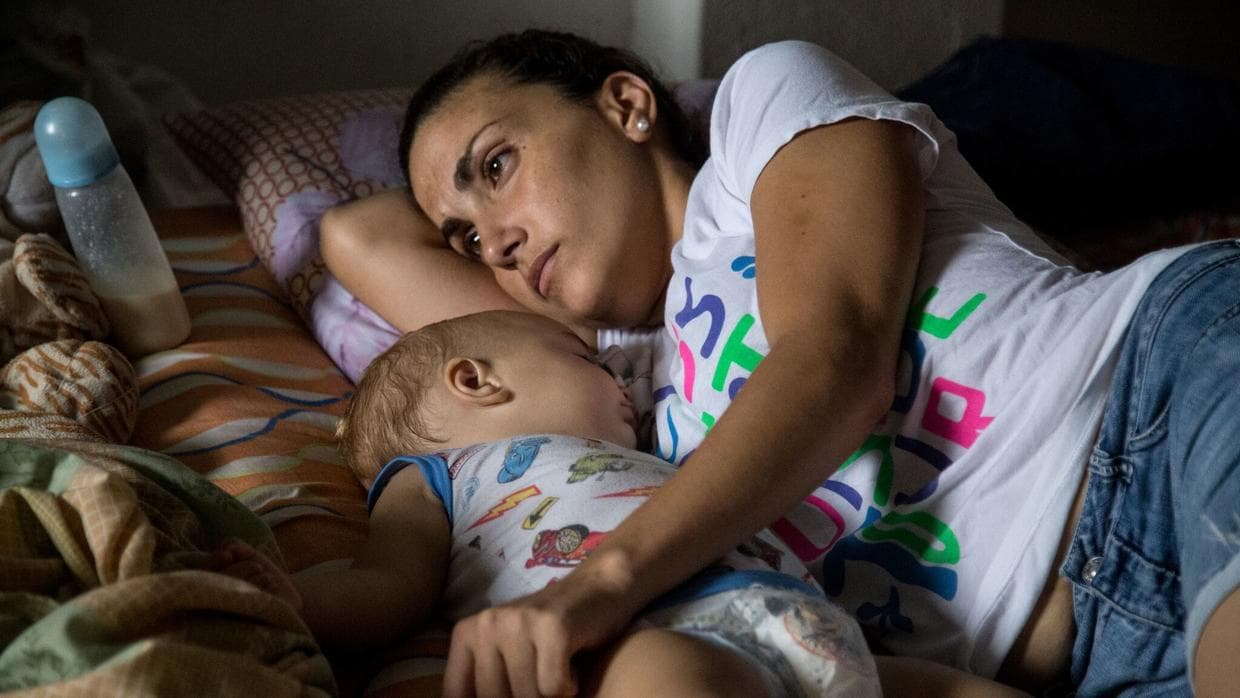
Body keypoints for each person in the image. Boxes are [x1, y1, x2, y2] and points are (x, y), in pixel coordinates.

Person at [319, 29, 1240, 697]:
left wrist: (596, 586)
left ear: (627, 103)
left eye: (500, 163)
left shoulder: (763, 112)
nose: (498, 242)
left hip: (1157, 406)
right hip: (1081, 662)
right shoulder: (621, 397)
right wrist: (488, 215)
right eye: (466, 239)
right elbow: (355, 236)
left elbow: (835, 356)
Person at [221, 309, 884, 697]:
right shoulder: (434, 474)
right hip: (641, 638)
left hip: (809, 625)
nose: (621, 381)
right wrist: (283, 598)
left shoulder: (661, 459)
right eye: (587, 361)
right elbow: (384, 582)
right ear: (476, 381)